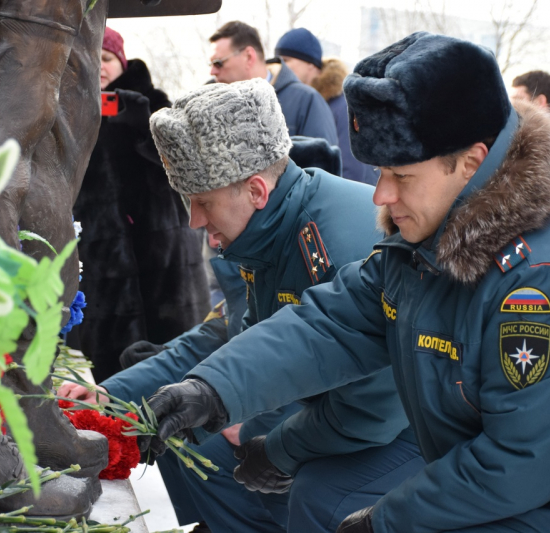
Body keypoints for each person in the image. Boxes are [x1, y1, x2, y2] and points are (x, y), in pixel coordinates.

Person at [138, 33, 550, 533]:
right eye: (380, 174)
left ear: (469, 162)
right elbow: (327, 323)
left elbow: (524, 461)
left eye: (400, 176)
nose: (380, 196)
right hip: (529, 484)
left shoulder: (545, 281)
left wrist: (387, 519)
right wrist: (211, 390)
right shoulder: (420, 252)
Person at [61, 79, 424, 532]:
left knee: (319, 497)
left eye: (202, 202)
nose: (193, 221)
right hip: (340, 407)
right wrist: (115, 397)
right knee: (192, 444)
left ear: (255, 190)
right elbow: (229, 338)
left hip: (412, 424)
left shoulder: (334, 239)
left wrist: (269, 435)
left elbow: (378, 400)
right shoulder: (266, 233)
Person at [71, 27, 209, 382]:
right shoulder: (71, 111)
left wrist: (139, 122)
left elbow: (183, 162)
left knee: (173, 355)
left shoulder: (154, 102)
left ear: (121, 61)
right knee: (112, 369)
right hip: (102, 260)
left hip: (163, 255)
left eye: (106, 58)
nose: (99, 66)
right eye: (92, 57)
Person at [208, 21, 338, 147]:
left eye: (219, 63)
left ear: (248, 56)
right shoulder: (207, 101)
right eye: (211, 64)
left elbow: (321, 164)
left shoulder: (306, 100)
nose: (212, 72)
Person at [275, 28, 379, 185]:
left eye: (286, 59)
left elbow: (352, 167)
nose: (281, 66)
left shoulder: (343, 104)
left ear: (310, 63)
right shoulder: (301, 102)